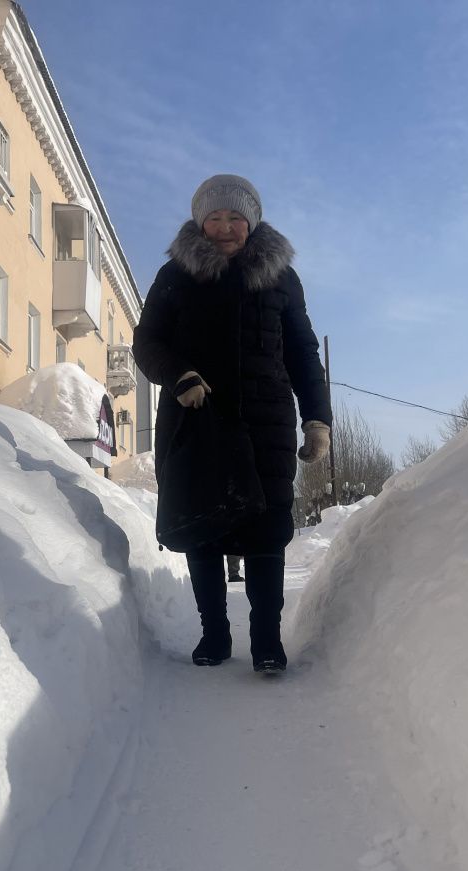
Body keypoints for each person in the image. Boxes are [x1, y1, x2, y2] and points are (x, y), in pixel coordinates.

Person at [134, 174, 331, 674]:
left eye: (235, 218)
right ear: (201, 223)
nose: (225, 228)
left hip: (266, 420)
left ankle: (267, 641)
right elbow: (147, 342)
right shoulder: (176, 274)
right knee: (203, 525)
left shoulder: (281, 277)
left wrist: (317, 419)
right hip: (196, 416)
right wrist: (178, 376)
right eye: (215, 218)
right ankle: (214, 635)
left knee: (268, 527)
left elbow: (304, 352)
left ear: (252, 223)